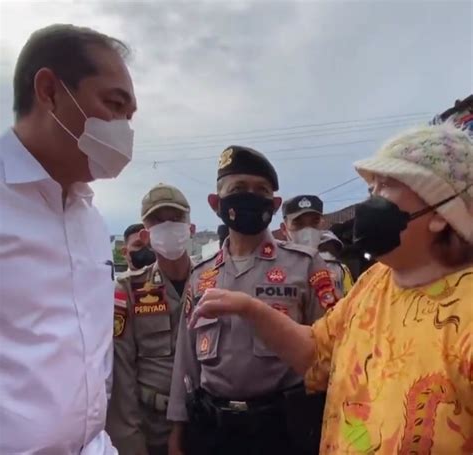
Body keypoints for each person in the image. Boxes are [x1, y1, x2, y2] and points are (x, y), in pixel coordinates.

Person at [191, 123, 473, 454]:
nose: (370, 203)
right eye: (372, 189)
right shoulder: (375, 281)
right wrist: (250, 309)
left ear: (441, 213)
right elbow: (316, 354)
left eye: (387, 187)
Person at [0, 24, 136, 454]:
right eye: (114, 105)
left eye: (129, 117)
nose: (124, 131)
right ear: (49, 91)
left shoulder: (90, 220)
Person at [167, 146, 338, 455]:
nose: (250, 196)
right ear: (216, 203)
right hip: (213, 432)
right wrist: (178, 431)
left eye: (261, 190)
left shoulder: (305, 265)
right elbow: (186, 360)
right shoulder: (201, 276)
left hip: (282, 431)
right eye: (238, 189)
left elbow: (333, 352)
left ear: (273, 205)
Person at [106, 184, 193, 455]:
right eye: (158, 220)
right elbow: (122, 377)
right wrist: (130, 444)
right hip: (153, 426)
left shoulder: (212, 281)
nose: (168, 225)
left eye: (176, 218)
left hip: (207, 423)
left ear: (190, 228)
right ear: (146, 234)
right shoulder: (129, 290)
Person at [318, 230, 354, 298]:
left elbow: (350, 293)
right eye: (325, 247)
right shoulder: (342, 268)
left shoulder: (342, 268)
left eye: (331, 246)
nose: (329, 249)